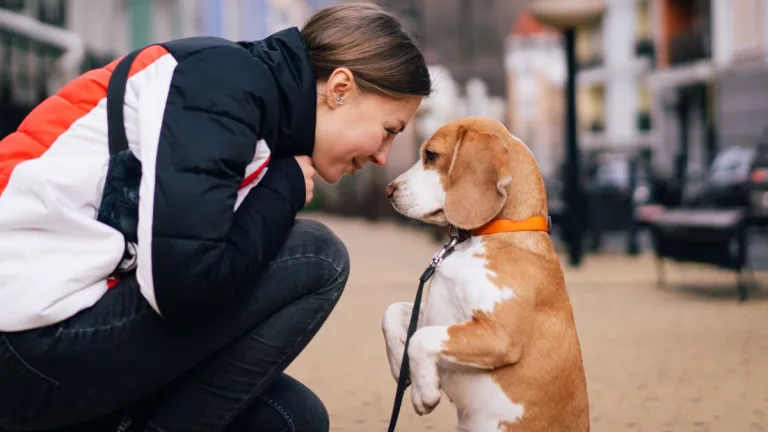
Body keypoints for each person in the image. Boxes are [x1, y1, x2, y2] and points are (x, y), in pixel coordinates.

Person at [0, 3, 431, 431]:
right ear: (340, 87)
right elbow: (180, 288)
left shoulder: (253, 111)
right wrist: (283, 190)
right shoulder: (222, 86)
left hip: (62, 328)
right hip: (23, 335)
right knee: (317, 258)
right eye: (388, 130)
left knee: (291, 420)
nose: (382, 156)